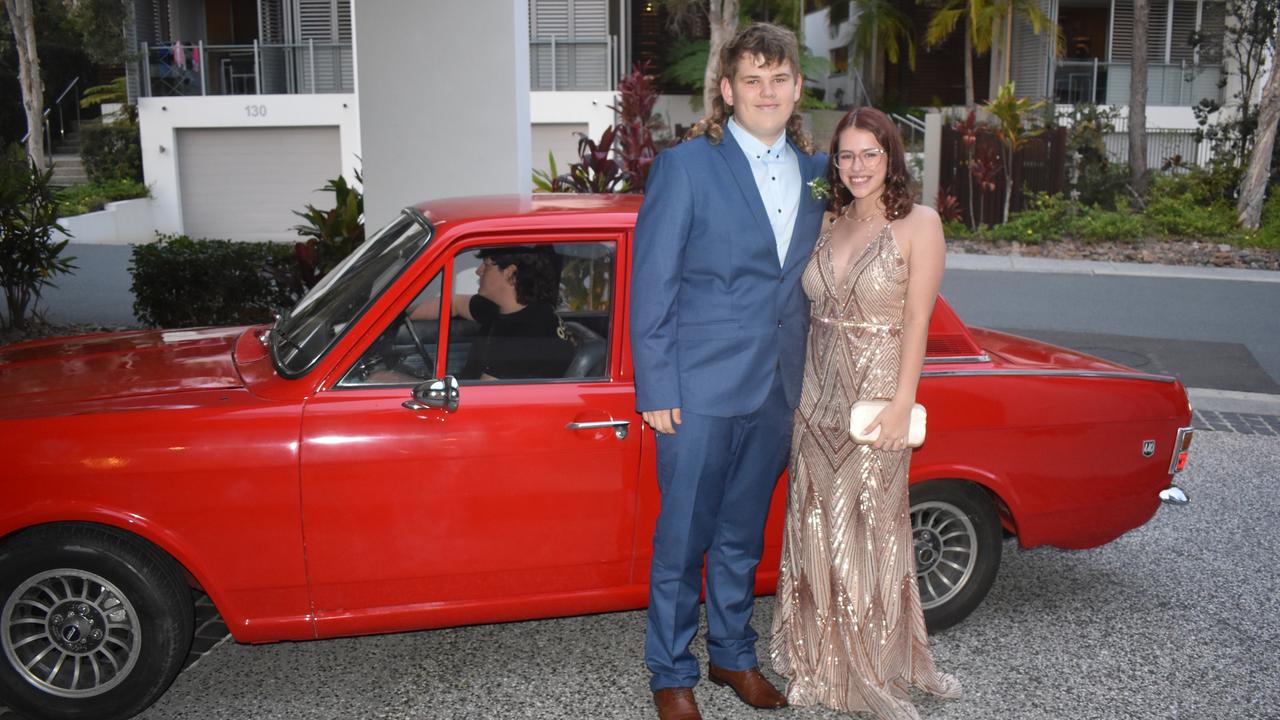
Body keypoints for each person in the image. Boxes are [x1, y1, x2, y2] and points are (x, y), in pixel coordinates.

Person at [629, 22, 828, 720]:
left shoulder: (817, 172)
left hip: (778, 386)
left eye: (779, 80)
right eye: (752, 79)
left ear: (797, 89)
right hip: (698, 390)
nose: (766, 92)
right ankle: (671, 670)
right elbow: (652, 282)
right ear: (726, 89)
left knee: (744, 534)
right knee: (683, 537)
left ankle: (734, 657)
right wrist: (655, 387)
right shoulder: (686, 166)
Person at [769, 107, 962, 719]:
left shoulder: (919, 224)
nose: (857, 167)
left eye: (870, 154)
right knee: (814, 527)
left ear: (891, 158)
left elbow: (916, 321)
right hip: (816, 399)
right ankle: (816, 657)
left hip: (877, 402)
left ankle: (873, 666)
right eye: (847, 155)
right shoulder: (824, 222)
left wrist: (904, 403)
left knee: (874, 533)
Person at [411, 245, 574, 381]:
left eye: (486, 265)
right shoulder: (509, 309)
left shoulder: (527, 337)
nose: (478, 271)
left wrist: (401, 381)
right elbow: (454, 303)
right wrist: (398, 316)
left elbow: (478, 399)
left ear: (510, 273)